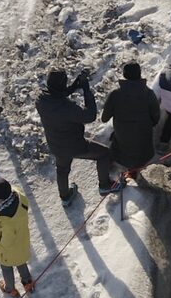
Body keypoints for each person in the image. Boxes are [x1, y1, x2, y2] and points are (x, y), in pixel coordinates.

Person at [35, 68, 116, 202]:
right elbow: (90, 116)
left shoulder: (41, 100)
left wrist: (73, 86)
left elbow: (56, 95)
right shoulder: (67, 108)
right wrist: (86, 90)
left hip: (55, 144)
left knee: (62, 169)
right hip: (75, 145)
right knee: (104, 154)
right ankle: (105, 185)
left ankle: (65, 196)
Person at [101, 61, 161, 170]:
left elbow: (104, 119)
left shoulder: (115, 94)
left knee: (120, 139)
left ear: (124, 75)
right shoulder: (149, 93)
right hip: (145, 150)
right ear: (139, 74)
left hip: (122, 142)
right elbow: (156, 117)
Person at [0, 179, 35, 298]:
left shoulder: (6, 221)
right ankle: (27, 282)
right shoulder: (18, 197)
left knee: (6, 268)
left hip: (8, 253)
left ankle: (10, 289)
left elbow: (5, 244)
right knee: (21, 262)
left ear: (3, 199)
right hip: (21, 244)